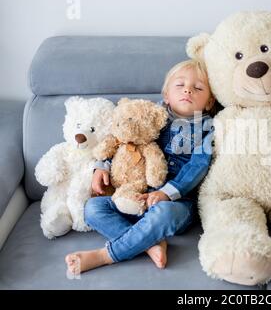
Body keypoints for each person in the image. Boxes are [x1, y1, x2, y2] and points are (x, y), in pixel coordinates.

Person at [65, 59, 215, 274]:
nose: (188, 90)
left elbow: (197, 167)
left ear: (209, 102)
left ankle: (105, 256)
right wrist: (102, 166)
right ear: (166, 96)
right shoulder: (150, 116)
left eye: (198, 88)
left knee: (164, 213)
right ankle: (149, 245)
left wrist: (167, 193)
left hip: (178, 203)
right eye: (180, 85)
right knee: (93, 208)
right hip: (134, 197)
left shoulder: (208, 130)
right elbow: (122, 139)